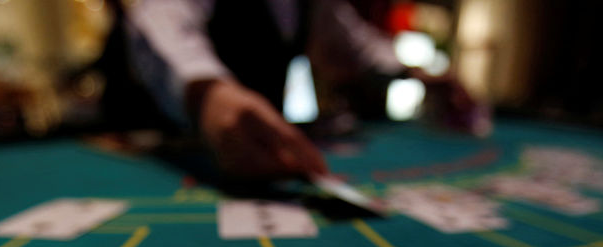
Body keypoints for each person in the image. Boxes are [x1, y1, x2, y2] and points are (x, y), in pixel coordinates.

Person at [122, 0, 481, 181]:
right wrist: (208, 92)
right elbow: (157, 17)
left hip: (264, 152)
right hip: (170, 147)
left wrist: (415, 72)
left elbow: (354, 44)